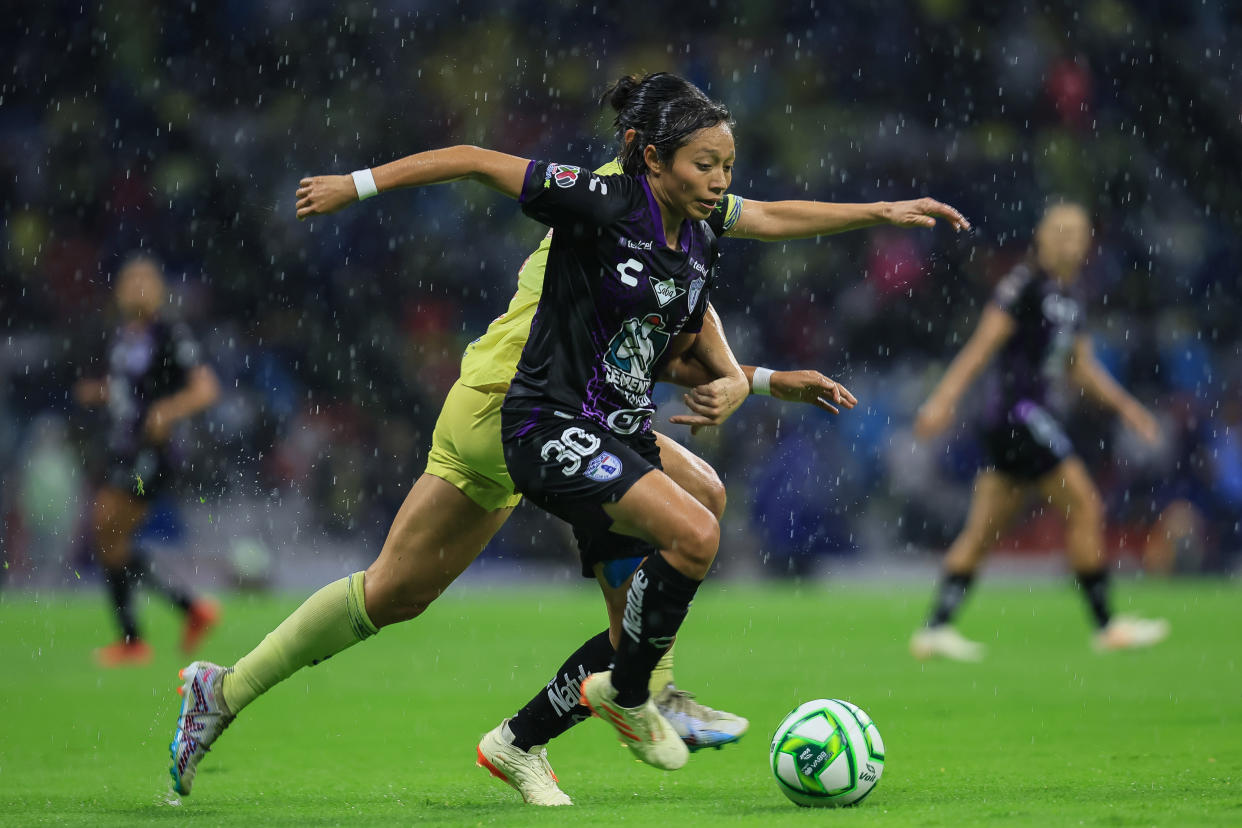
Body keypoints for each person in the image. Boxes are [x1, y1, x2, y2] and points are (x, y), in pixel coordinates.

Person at [169, 73, 965, 804]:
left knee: (394, 593)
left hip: (570, 417)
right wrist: (359, 184)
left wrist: (865, 224)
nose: (721, 181)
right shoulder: (602, 207)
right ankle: (631, 692)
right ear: (654, 152)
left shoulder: (681, 218)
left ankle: (227, 690)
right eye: (705, 161)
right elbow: (483, 165)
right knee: (680, 523)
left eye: (725, 162)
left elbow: (734, 250)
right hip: (509, 408)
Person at [910, 202, 1169, 661]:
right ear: (1042, 237)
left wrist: (1130, 410)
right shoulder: (1025, 286)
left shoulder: (1071, 297)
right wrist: (942, 400)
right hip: (1019, 415)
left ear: (1089, 242)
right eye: (1060, 231)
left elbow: (1081, 368)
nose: (1069, 239)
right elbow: (981, 347)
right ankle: (1107, 624)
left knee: (983, 531)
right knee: (1085, 504)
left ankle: (934, 628)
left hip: (1022, 420)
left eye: (1078, 232)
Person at [73, 255, 222, 667]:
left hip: (154, 454)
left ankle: (138, 637)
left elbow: (206, 389)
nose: (137, 287)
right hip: (124, 448)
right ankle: (185, 611)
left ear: (159, 290)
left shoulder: (170, 334)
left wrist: (167, 411)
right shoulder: (122, 337)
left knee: (106, 526)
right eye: (130, 280)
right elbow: (132, 390)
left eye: (145, 280)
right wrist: (104, 393)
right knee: (109, 538)